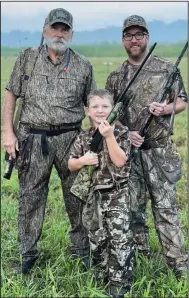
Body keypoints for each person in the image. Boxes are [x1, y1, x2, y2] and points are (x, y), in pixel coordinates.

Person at [2, 8, 96, 274]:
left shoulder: (84, 65)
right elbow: (11, 95)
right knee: (30, 198)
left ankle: (81, 250)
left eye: (65, 29)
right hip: (33, 138)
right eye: (54, 28)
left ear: (72, 34)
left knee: (77, 195)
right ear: (45, 30)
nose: (59, 33)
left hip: (71, 138)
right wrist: (7, 133)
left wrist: (95, 140)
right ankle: (27, 254)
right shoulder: (27, 58)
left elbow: (92, 107)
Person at [105, 15, 188, 278]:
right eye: (129, 35)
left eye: (139, 34)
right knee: (133, 210)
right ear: (123, 40)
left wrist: (166, 108)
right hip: (129, 154)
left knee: (166, 210)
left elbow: (183, 101)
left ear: (147, 38)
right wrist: (126, 133)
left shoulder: (167, 69)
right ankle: (140, 257)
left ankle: (179, 264)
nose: (134, 40)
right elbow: (109, 117)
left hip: (160, 152)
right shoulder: (116, 77)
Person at [68, 89, 134, 298]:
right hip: (94, 196)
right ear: (88, 111)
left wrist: (108, 137)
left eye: (105, 106)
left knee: (120, 240)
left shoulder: (122, 133)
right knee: (97, 239)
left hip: (117, 195)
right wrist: (82, 161)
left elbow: (120, 160)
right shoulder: (84, 135)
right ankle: (101, 273)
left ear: (113, 110)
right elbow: (70, 164)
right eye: (95, 107)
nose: (100, 111)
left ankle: (120, 281)